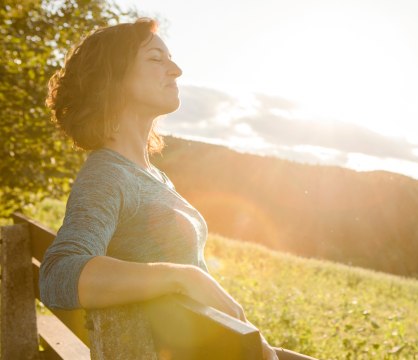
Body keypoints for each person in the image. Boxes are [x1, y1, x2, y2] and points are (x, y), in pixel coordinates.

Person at [40, 18, 316, 360]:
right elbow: (58, 274)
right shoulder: (108, 175)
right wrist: (182, 277)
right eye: (157, 59)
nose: (177, 70)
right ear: (113, 76)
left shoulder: (150, 175)